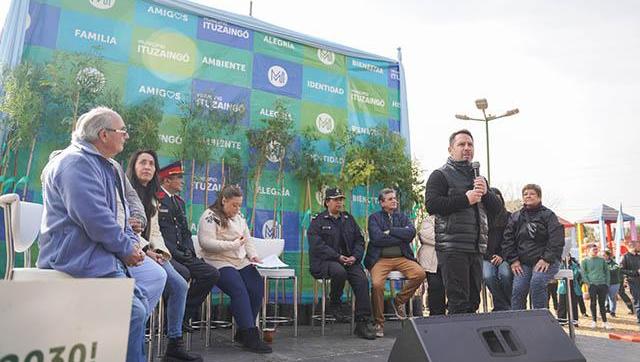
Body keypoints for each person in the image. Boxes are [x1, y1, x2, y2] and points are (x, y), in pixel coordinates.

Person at [38, 107, 148, 362]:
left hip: (97, 256)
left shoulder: (102, 164)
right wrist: (124, 249)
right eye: (122, 131)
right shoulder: (75, 163)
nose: (126, 136)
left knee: (138, 307)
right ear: (103, 135)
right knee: (131, 312)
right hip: (75, 258)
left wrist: (131, 243)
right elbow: (96, 219)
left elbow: (119, 216)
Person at [126, 150, 201, 361]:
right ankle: (133, 336)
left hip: (150, 251)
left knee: (180, 285)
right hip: (130, 252)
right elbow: (123, 228)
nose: (148, 167)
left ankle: (174, 344)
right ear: (133, 166)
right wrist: (145, 251)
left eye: (151, 163)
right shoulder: (124, 191)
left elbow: (155, 230)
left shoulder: (152, 196)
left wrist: (158, 252)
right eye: (143, 162)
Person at [424, 129, 501, 314]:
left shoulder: (479, 178)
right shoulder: (440, 175)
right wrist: (465, 199)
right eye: (461, 144)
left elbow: (497, 210)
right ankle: (455, 342)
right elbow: (432, 204)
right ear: (450, 149)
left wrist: (486, 193)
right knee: (458, 301)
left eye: (470, 144)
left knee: (473, 301)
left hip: (475, 247)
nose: (467, 148)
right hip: (452, 247)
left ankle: (469, 342)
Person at [197, 185, 272, 353]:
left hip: (239, 259)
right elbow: (205, 243)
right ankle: (251, 335)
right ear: (224, 200)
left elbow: (247, 238)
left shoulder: (239, 216)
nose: (237, 209)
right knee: (238, 289)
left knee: (256, 287)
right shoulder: (210, 216)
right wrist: (233, 244)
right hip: (217, 260)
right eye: (234, 205)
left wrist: (253, 256)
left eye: (239, 205)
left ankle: (242, 332)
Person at [307, 187, 376, 339]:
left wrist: (355, 257)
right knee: (339, 271)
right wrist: (337, 256)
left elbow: (359, 240)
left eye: (341, 200)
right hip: (324, 262)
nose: (339, 203)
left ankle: (362, 323)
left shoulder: (348, 218)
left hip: (348, 261)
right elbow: (317, 246)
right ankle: (335, 303)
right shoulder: (318, 221)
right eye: (336, 199)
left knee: (362, 280)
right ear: (327, 202)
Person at [157, 161, 219, 325]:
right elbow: (158, 234)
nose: (182, 181)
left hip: (182, 254)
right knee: (183, 273)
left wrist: (191, 253)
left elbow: (185, 232)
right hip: (166, 254)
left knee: (211, 274)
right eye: (178, 178)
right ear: (166, 181)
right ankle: (171, 321)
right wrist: (175, 253)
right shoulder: (156, 200)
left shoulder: (179, 202)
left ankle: (182, 316)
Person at [366, 188, 425, 337]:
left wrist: (390, 231)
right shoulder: (374, 218)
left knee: (420, 274)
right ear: (382, 202)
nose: (395, 201)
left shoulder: (403, 217)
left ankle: (399, 300)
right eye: (390, 199)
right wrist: (400, 235)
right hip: (380, 259)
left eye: (395, 198)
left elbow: (410, 233)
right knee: (377, 285)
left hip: (402, 257)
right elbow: (377, 239)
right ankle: (379, 323)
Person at [502, 184, 564, 311]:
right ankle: (518, 323)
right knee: (518, 289)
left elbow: (556, 239)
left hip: (546, 261)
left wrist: (546, 258)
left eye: (532, 194)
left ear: (539, 197)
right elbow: (508, 240)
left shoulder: (548, 215)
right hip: (524, 262)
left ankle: (541, 321)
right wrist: (513, 260)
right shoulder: (515, 216)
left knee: (537, 282)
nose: (528, 196)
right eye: (525, 194)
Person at [482, 187, 512, 311]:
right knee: (489, 276)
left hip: (505, 255)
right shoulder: (482, 218)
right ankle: (502, 306)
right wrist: (490, 257)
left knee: (505, 274)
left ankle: (509, 303)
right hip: (486, 257)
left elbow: (511, 239)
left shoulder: (509, 217)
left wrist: (501, 256)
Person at [417, 215, 446, 315]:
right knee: (435, 289)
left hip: (452, 260)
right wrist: (449, 239)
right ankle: (436, 317)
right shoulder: (429, 220)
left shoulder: (457, 217)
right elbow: (426, 235)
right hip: (432, 262)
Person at [581, 244, 610, 329]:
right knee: (593, 303)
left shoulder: (602, 260)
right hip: (592, 285)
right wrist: (588, 283)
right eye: (594, 249)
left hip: (602, 284)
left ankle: (605, 322)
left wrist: (607, 283)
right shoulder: (585, 261)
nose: (596, 251)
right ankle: (594, 321)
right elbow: (583, 273)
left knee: (602, 304)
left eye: (596, 249)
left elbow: (607, 271)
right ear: (589, 250)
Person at [557, 255, 582, 327]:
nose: (567, 257)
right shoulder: (561, 265)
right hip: (563, 287)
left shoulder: (574, 265)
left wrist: (569, 275)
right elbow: (559, 273)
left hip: (573, 287)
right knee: (562, 304)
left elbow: (576, 274)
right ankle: (561, 320)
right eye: (565, 256)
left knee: (574, 304)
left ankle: (574, 320)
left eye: (568, 256)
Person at [620, 239, 640, 325]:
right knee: (638, 300)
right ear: (632, 246)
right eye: (638, 245)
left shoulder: (639, 256)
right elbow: (621, 270)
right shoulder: (625, 257)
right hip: (633, 281)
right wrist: (635, 272)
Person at [603, 250, 622, 318]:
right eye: (602, 255)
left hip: (614, 283)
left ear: (608, 256)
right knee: (604, 297)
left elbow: (614, 272)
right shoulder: (601, 263)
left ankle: (612, 311)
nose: (603, 257)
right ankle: (605, 308)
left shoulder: (614, 264)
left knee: (612, 297)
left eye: (604, 255)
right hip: (604, 283)